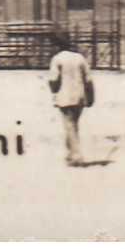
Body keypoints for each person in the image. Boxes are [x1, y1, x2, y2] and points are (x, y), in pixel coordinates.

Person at [47, 34, 93, 166]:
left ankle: (77, 155)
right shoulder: (80, 58)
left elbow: (53, 80)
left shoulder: (57, 59)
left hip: (65, 97)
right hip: (80, 96)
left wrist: (53, 89)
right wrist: (91, 97)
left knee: (70, 126)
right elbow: (88, 80)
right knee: (73, 126)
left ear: (57, 46)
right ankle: (70, 153)